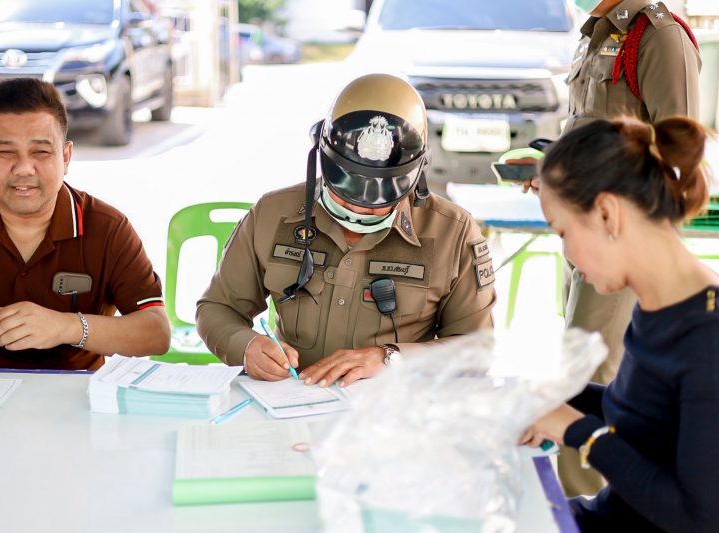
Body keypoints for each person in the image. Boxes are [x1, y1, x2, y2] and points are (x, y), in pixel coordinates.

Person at [196, 73, 496, 384]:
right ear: (321, 153)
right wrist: (246, 346)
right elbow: (217, 308)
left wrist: (390, 358)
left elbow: (476, 350)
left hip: (394, 404)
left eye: (381, 196)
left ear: (419, 170)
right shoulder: (273, 213)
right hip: (291, 399)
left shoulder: (453, 233)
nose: (359, 207)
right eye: (346, 188)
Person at [515, 0, 702, 496]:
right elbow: (595, 132)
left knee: (590, 368)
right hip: (586, 233)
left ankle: (584, 502)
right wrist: (556, 172)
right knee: (577, 370)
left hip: (621, 242)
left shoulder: (659, 36)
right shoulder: (595, 31)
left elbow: (677, 158)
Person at [520, 115, 719, 531]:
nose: (567, 254)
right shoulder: (660, 306)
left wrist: (577, 431)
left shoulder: (708, 337)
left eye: (563, 232)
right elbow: (643, 415)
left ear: (607, 214)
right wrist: (551, 396)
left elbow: (698, 520)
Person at [0, 78, 171, 370]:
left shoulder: (107, 228)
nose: (24, 168)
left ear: (66, 157)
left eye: (40, 151)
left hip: (75, 392)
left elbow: (157, 333)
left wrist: (68, 327)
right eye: (5, 152)